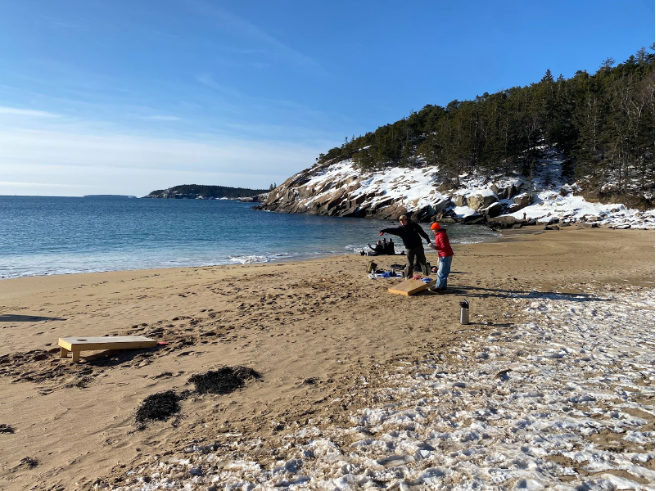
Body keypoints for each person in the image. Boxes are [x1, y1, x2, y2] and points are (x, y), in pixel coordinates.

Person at [428, 222, 454, 293]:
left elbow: (443, 247)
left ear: (436, 229)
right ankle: (443, 287)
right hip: (444, 254)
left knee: (441, 272)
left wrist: (434, 247)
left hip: (445, 255)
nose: (432, 231)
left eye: (433, 229)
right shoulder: (440, 234)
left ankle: (438, 287)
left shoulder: (441, 235)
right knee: (443, 271)